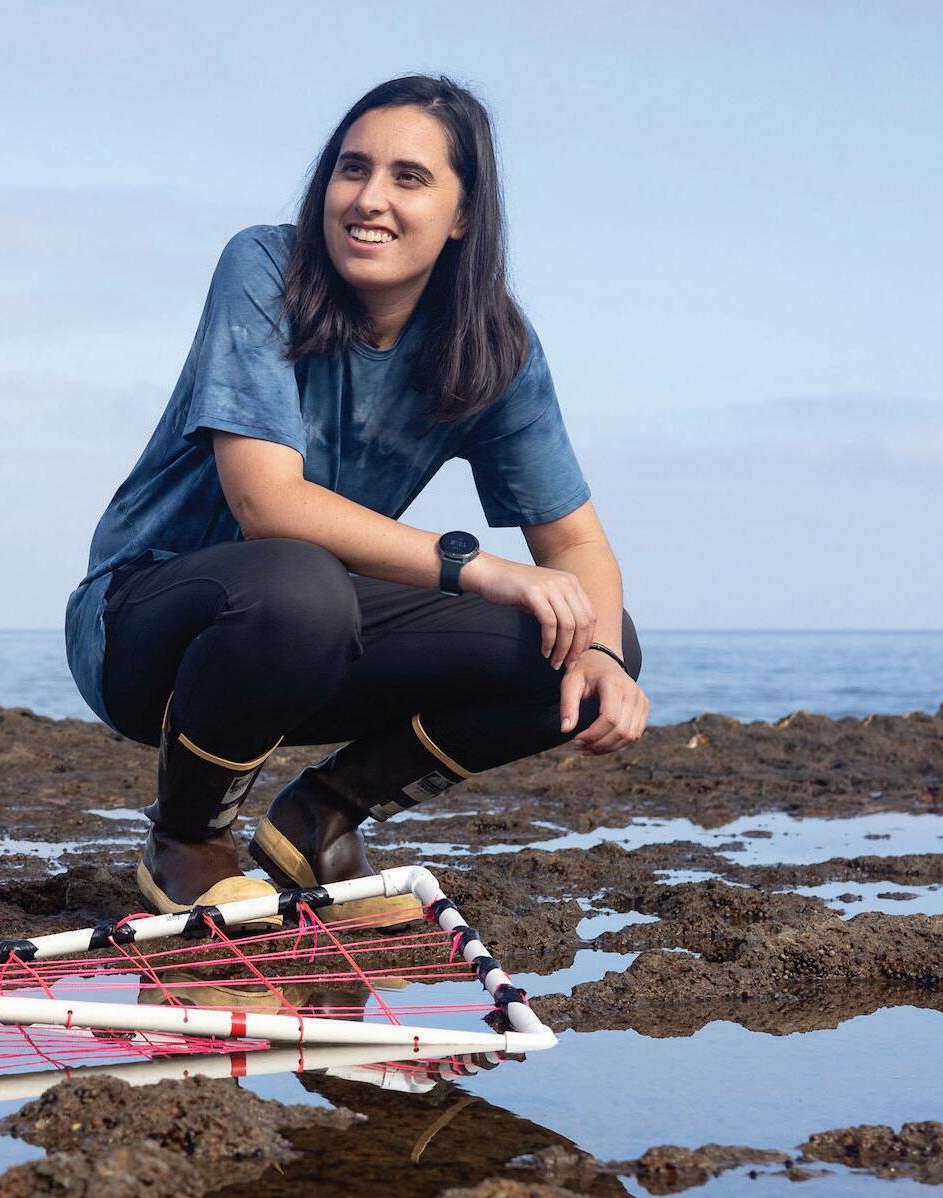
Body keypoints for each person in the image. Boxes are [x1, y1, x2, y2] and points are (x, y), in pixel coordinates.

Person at [62, 75, 649, 927]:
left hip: (313, 634)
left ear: (463, 215)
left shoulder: (493, 347)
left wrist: (602, 656)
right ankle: (187, 838)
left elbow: (577, 546)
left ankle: (321, 819)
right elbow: (268, 504)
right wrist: (480, 567)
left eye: (409, 177)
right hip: (143, 627)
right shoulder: (265, 267)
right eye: (352, 168)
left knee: (587, 637)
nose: (369, 198)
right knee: (299, 583)